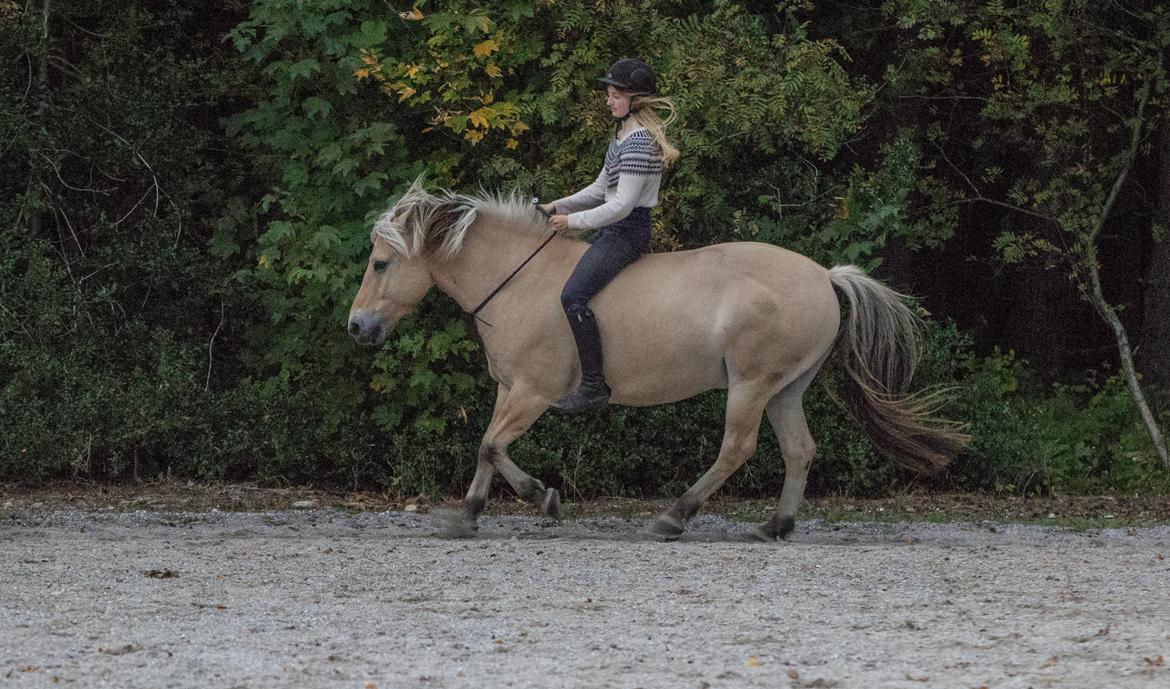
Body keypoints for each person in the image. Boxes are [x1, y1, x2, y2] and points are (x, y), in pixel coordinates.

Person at [540, 58, 680, 413]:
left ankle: (592, 388)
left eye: (615, 94)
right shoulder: (622, 138)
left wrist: (571, 223)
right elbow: (600, 188)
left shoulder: (639, 144)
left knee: (573, 295)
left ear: (635, 99)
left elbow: (621, 206)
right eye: (609, 93)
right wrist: (558, 205)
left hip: (627, 232)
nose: (608, 99)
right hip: (612, 229)